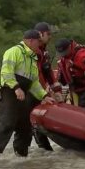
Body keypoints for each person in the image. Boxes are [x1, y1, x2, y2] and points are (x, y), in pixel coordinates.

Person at [0, 30, 55, 157]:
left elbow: (34, 83)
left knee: (25, 126)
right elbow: (6, 72)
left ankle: (21, 156)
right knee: (8, 122)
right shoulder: (14, 52)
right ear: (30, 41)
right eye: (38, 41)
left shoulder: (32, 58)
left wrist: (44, 96)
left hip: (21, 93)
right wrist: (16, 87)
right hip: (6, 89)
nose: (40, 44)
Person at [29, 22, 62, 151]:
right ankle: (43, 149)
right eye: (48, 34)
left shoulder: (44, 52)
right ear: (40, 34)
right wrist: (43, 94)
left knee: (37, 122)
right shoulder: (33, 51)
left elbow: (48, 73)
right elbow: (35, 75)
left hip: (40, 92)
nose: (50, 37)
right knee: (33, 123)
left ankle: (45, 150)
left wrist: (57, 91)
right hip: (32, 91)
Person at [55, 38, 85, 109]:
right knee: (71, 107)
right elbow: (59, 76)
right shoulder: (63, 59)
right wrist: (55, 89)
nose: (63, 55)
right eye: (61, 53)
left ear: (69, 47)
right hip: (74, 89)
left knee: (83, 109)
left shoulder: (83, 56)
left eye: (64, 53)